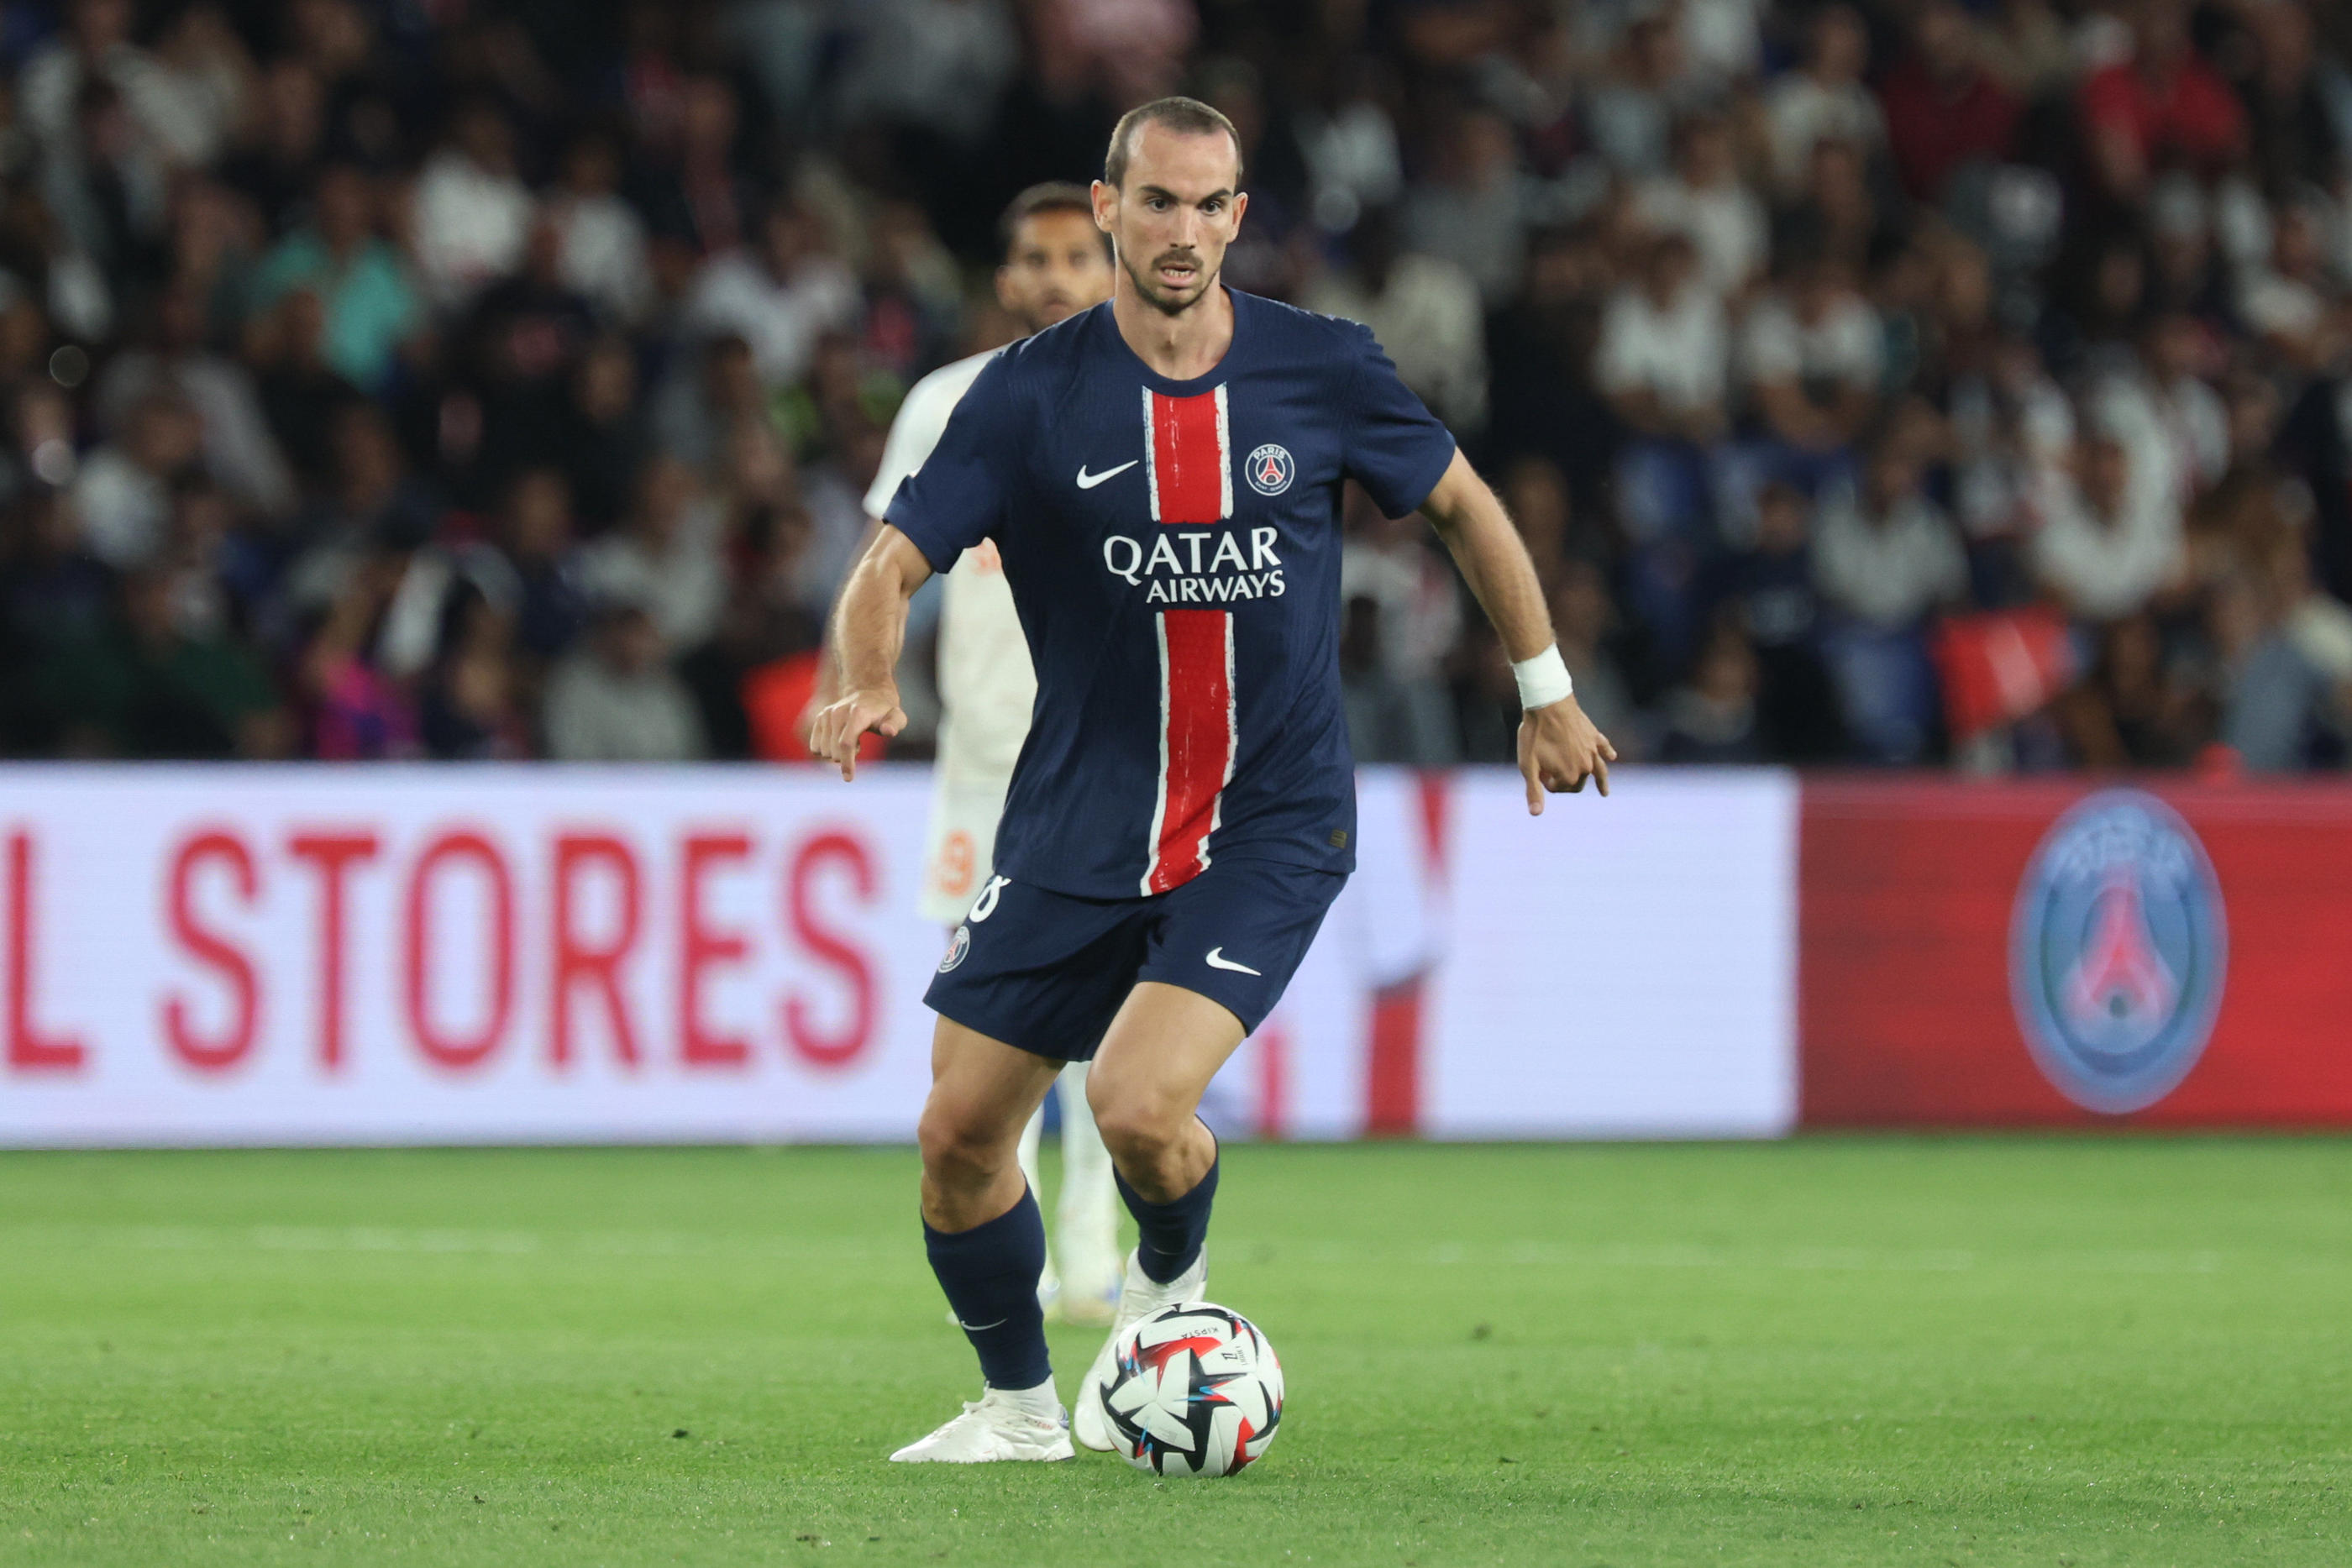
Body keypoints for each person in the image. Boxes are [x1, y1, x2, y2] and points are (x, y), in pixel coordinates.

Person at [811, 97, 1614, 1465]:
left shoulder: (1325, 369)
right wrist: (865, 678)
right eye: (1159, 202)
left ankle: (1164, 1293)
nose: (1184, 232)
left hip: (1267, 821)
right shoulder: (1027, 393)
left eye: (1211, 204)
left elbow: (1470, 507)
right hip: (1076, 819)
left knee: (1134, 1103)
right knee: (955, 1138)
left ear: (1241, 215)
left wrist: (1545, 690)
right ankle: (1016, 1414)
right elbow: (889, 565)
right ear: (1107, 205)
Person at [859, 182, 1126, 1329]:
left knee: (1111, 1033)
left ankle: (1091, 1259)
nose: (1060, 276)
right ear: (1006, 280)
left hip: (1113, 760)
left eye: (1081, 256)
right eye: (1038, 259)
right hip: (983, 767)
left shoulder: (1150, 402)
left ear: (1112, 270)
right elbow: (889, 565)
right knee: (986, 1039)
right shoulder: (943, 403)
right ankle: (1005, 1264)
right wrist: (860, 675)